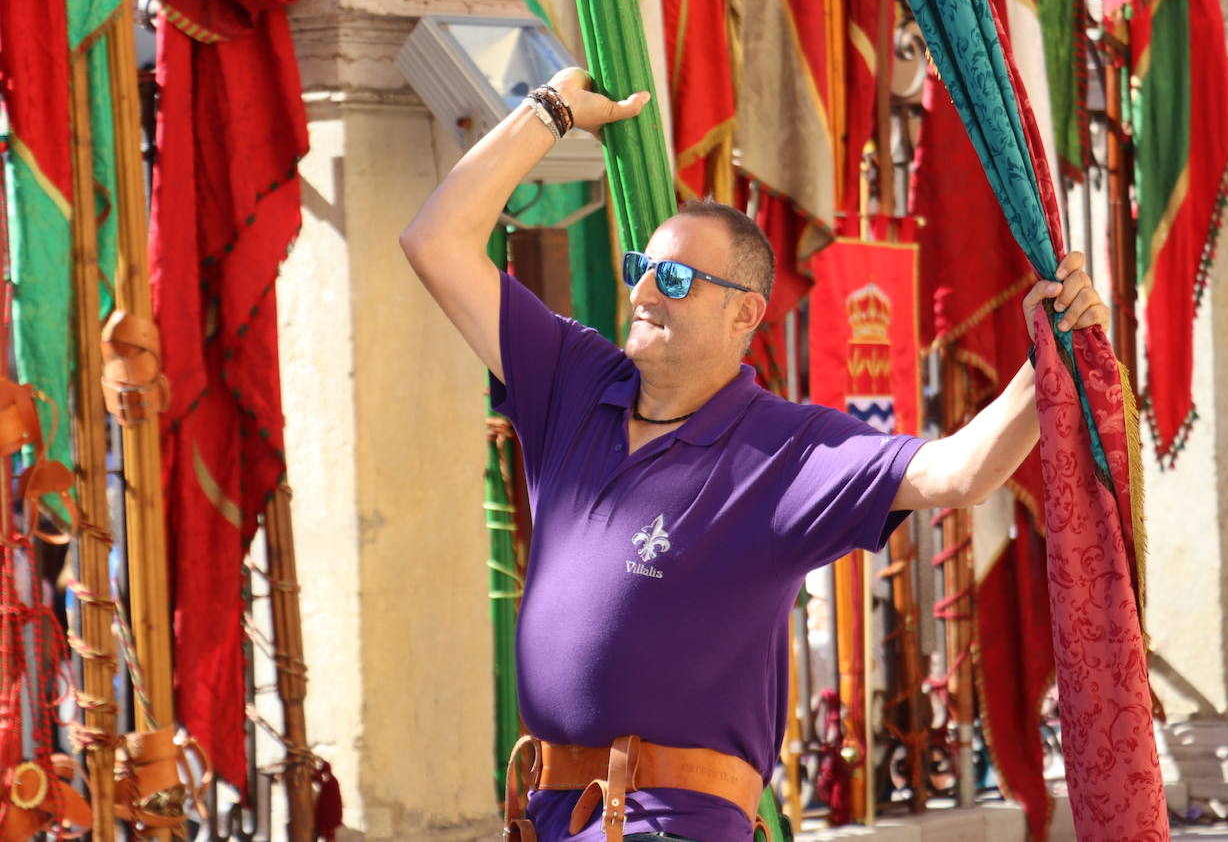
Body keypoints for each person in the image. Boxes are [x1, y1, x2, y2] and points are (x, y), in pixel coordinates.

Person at [400, 69, 1108, 842]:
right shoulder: (573, 378)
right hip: (543, 818)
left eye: (674, 278)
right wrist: (551, 110)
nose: (643, 293)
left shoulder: (787, 448)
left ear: (744, 313)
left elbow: (959, 473)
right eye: (640, 268)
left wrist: (1052, 362)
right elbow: (435, 241)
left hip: (675, 822)